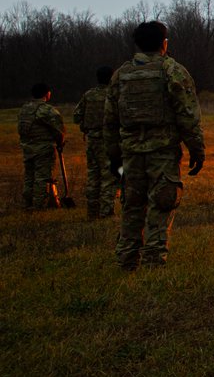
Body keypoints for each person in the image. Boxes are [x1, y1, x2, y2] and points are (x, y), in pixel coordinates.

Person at [104, 21, 205, 271]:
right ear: (164, 43)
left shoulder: (121, 74)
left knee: (132, 205)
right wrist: (196, 149)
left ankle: (126, 258)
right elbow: (188, 115)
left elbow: (109, 120)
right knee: (162, 203)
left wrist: (114, 156)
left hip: (130, 155)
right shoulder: (172, 71)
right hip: (162, 153)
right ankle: (153, 258)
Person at [73, 66, 120, 218]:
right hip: (109, 141)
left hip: (92, 141)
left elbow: (77, 116)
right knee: (109, 176)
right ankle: (106, 211)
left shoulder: (89, 95)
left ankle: (92, 211)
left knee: (93, 176)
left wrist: (86, 127)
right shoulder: (113, 95)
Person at [19, 82, 65, 210]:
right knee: (42, 178)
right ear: (47, 94)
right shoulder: (47, 110)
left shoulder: (25, 109)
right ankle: (38, 205)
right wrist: (60, 143)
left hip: (27, 148)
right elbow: (59, 130)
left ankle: (27, 203)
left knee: (29, 176)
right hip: (43, 149)